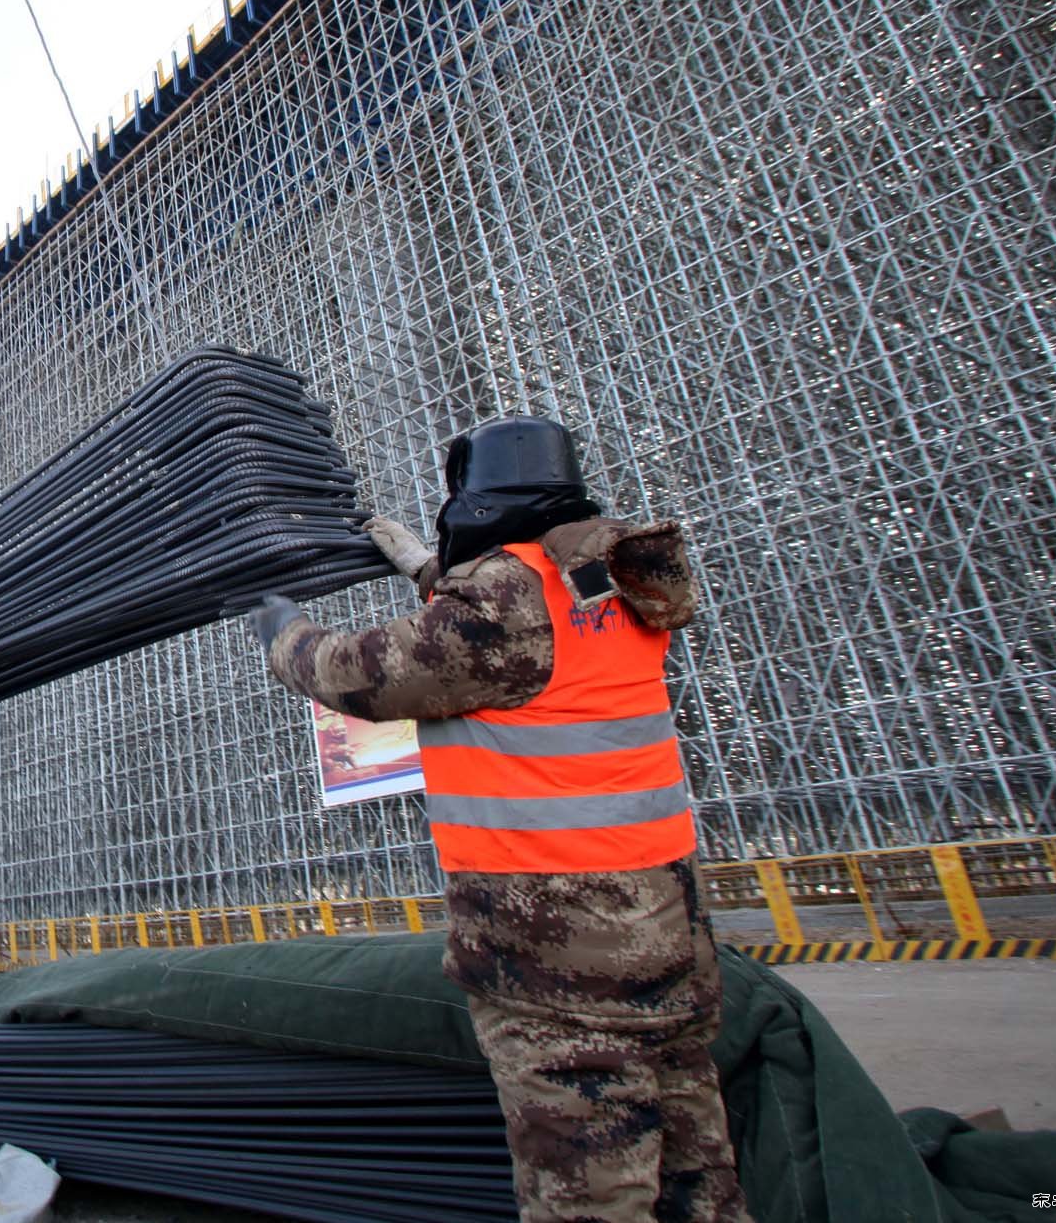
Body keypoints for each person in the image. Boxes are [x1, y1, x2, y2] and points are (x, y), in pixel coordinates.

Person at [248, 417, 749, 1223]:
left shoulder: (503, 604)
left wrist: (286, 634)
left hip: (562, 956)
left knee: (588, 1187)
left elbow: (357, 674)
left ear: (478, 499)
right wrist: (428, 573)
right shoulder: (606, 581)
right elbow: (520, 640)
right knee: (696, 1168)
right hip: (666, 936)